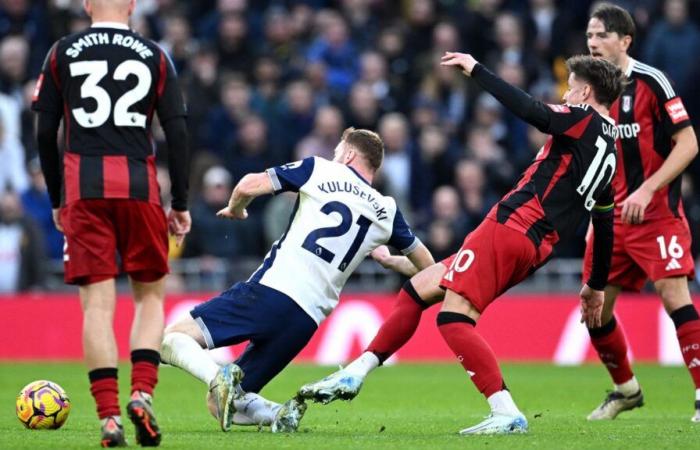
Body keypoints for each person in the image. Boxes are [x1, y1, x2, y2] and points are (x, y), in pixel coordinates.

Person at [298, 52, 625, 435]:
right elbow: (604, 223)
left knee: (454, 317)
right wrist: (596, 284)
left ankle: (505, 410)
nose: (566, 95)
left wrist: (476, 70)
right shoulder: (613, 153)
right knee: (417, 289)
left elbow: (534, 111)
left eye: (570, 88)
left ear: (586, 91)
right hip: (536, 246)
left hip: (512, 225)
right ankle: (355, 373)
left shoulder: (582, 119)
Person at [160, 127, 434, 433]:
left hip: (272, 292)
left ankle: (218, 376)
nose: (334, 156)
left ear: (349, 154)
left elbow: (248, 184)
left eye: (337, 151)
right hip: (305, 322)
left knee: (172, 338)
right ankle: (277, 414)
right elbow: (428, 271)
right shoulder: (386, 210)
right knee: (220, 404)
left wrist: (236, 209)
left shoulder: (319, 168)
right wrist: (390, 260)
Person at [32, 0, 191, 446]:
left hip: (83, 189)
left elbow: (45, 132)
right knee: (150, 297)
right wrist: (180, 201)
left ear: (86, 5)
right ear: (132, 6)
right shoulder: (154, 55)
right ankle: (142, 393)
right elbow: (177, 131)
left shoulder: (61, 51)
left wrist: (56, 199)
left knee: (97, 306)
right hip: (140, 186)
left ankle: (108, 419)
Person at [582, 3, 700, 421]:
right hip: (610, 219)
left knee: (673, 295)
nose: (593, 43)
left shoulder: (653, 81)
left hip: (656, 213)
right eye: (590, 36)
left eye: (601, 36)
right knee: (594, 307)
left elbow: (689, 144)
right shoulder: (589, 90)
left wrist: (648, 190)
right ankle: (626, 390)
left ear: (625, 40)